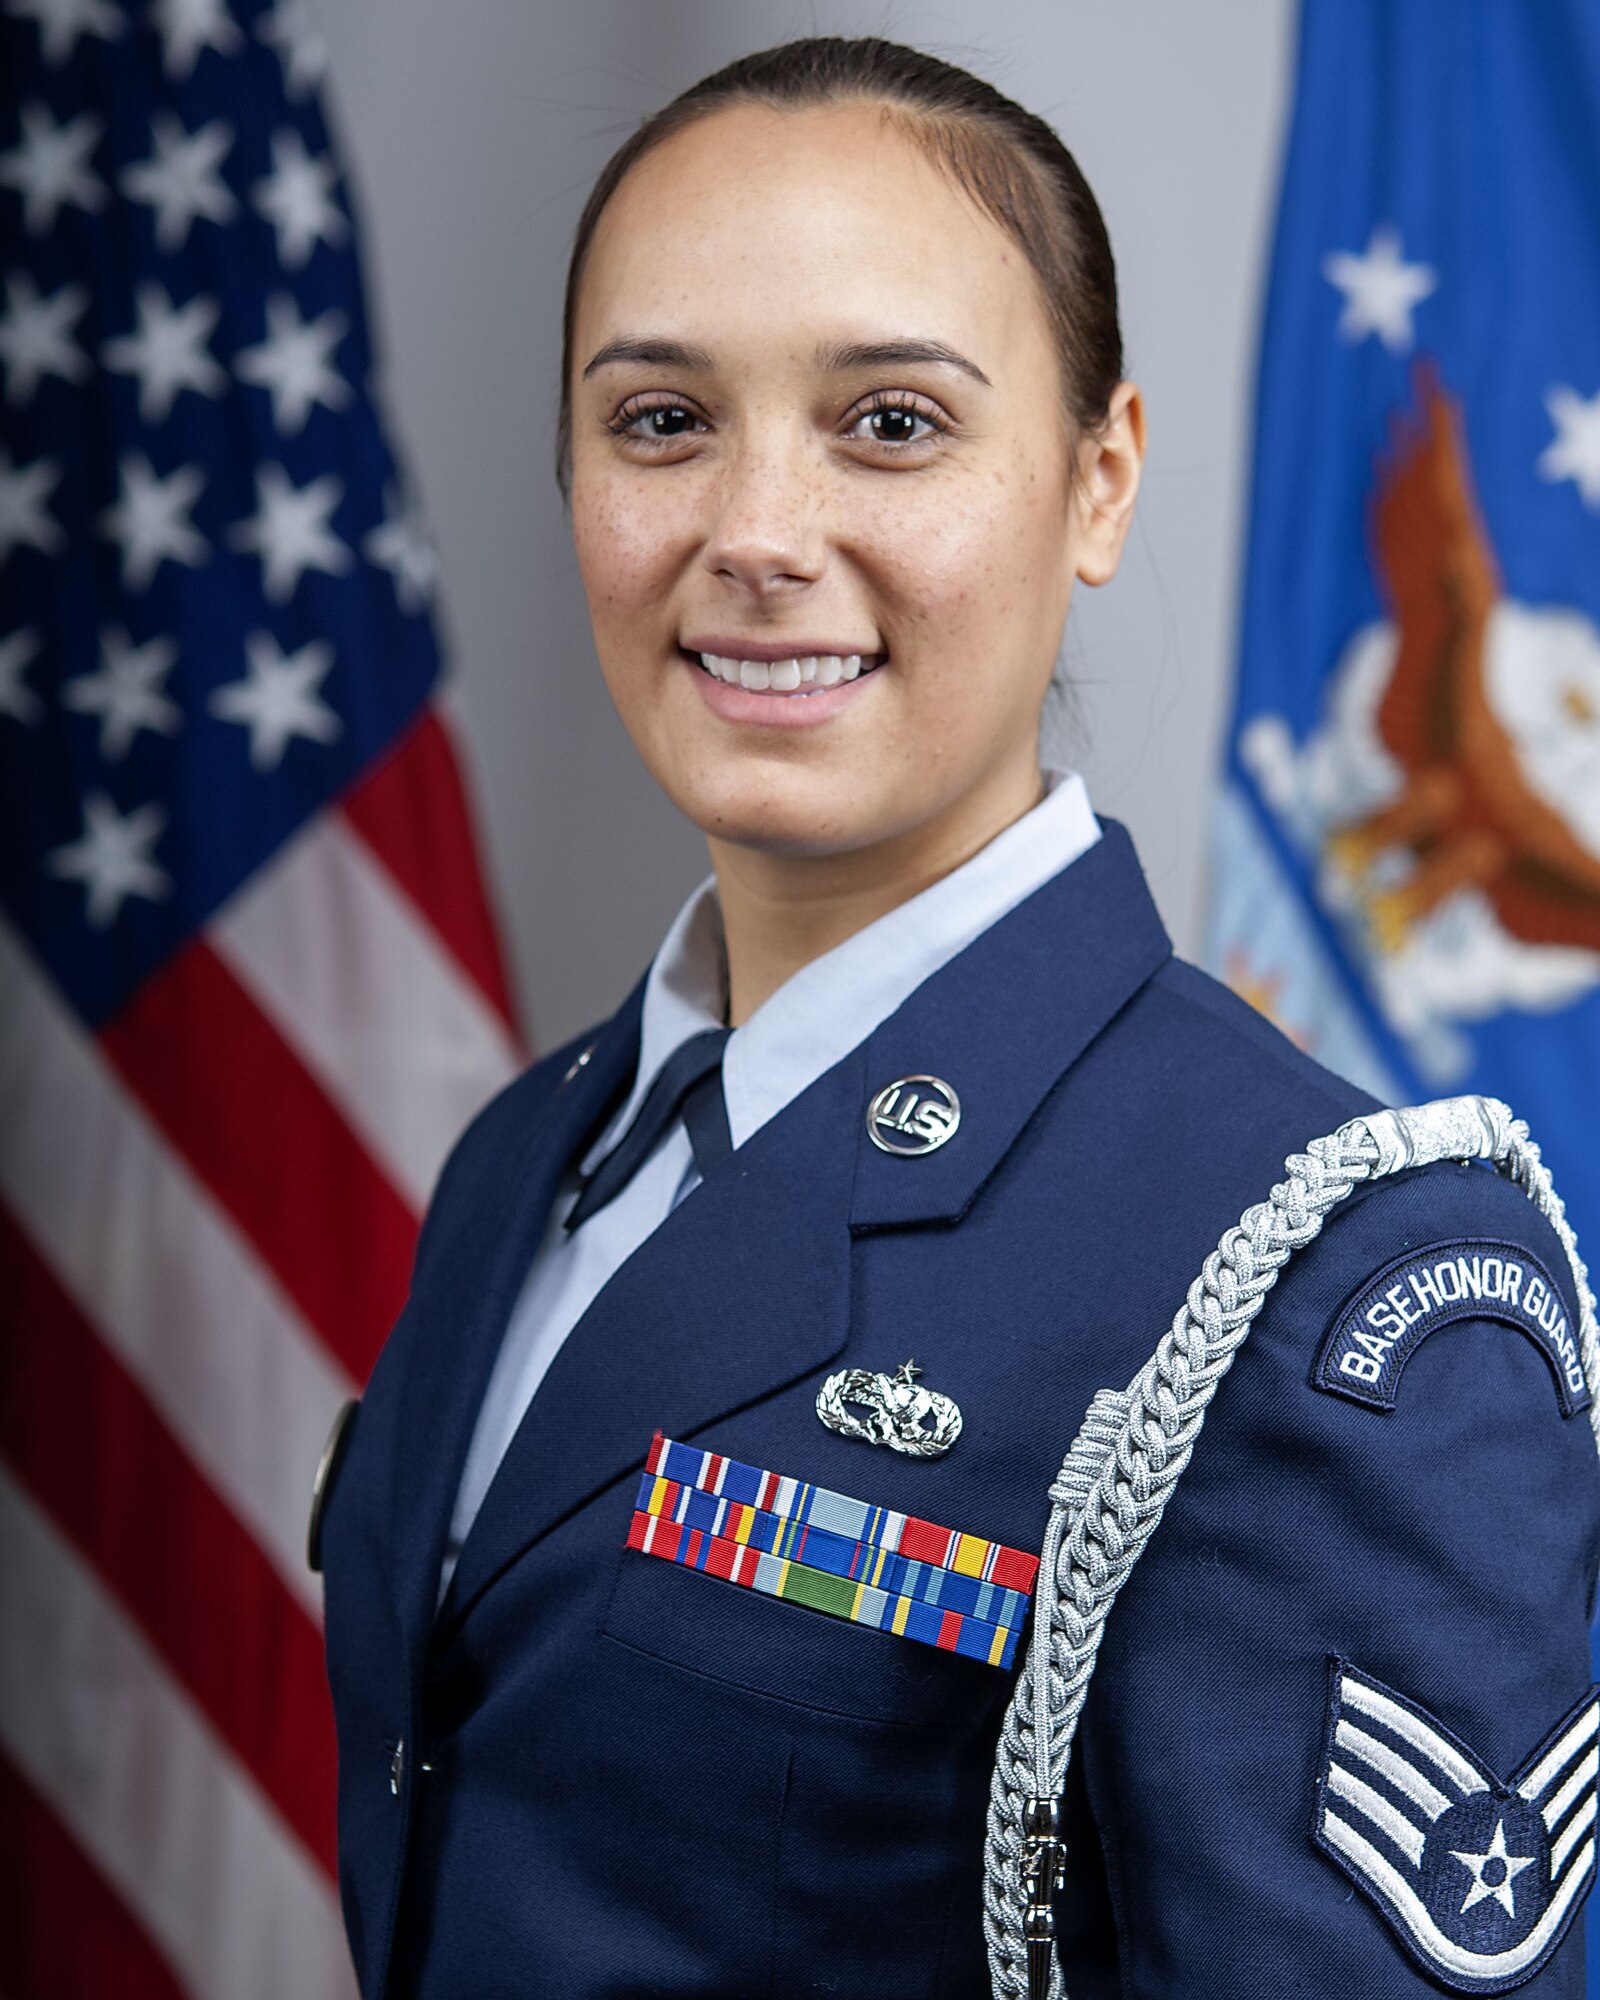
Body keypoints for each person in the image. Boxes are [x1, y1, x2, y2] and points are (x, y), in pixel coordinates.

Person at [315, 37, 1600, 1999]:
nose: (753, 527)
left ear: (1095, 481)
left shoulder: (1329, 1280)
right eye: (660, 417)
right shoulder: (529, 1158)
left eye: (887, 424)